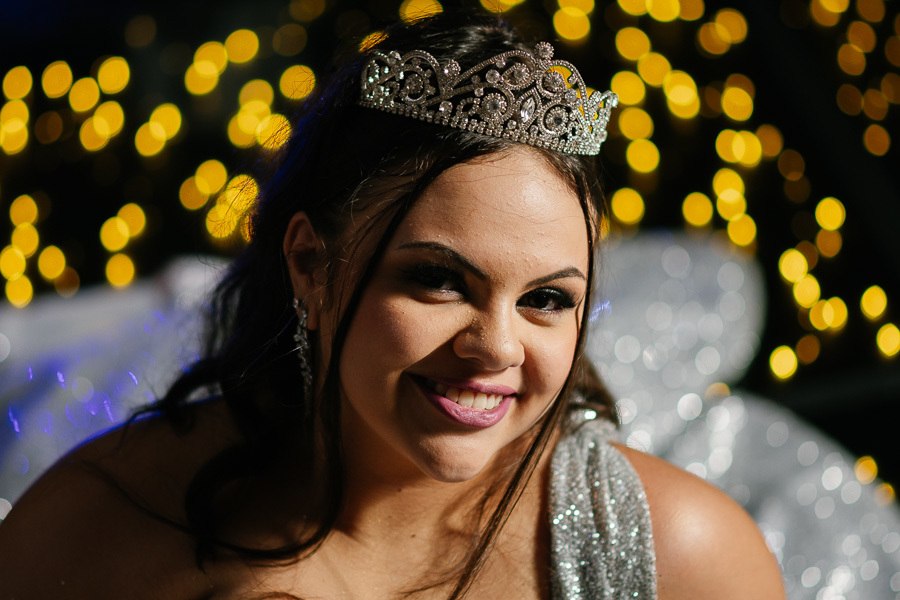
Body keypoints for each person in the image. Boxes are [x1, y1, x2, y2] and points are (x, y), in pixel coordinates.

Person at [0, 9, 785, 599]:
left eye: (546, 298)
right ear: (310, 264)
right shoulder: (103, 523)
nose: (497, 348)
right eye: (440, 280)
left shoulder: (687, 559)